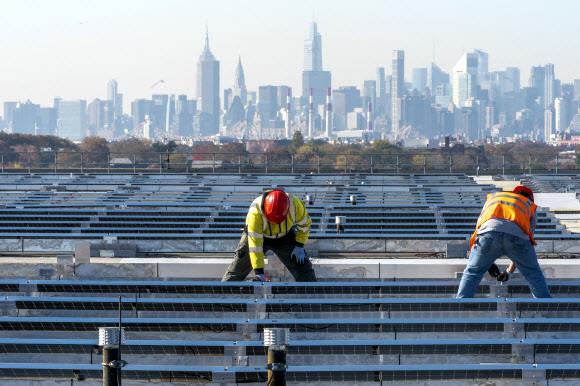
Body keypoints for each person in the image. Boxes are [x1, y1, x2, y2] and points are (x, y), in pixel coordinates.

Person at [456, 186, 550, 298]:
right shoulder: (527, 204)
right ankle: (545, 305)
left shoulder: (494, 199)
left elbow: (478, 231)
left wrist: (488, 263)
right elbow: (526, 241)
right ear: (530, 198)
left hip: (488, 234)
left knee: (473, 272)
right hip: (517, 237)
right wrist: (508, 272)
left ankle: (462, 302)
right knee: (533, 273)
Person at [221, 189, 317, 282]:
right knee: (237, 269)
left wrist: (299, 245)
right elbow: (255, 246)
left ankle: (312, 292)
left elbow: (305, 225)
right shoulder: (255, 212)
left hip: (285, 236)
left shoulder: (295, 205)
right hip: (259, 236)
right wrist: (259, 272)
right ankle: (223, 293)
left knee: (304, 270)